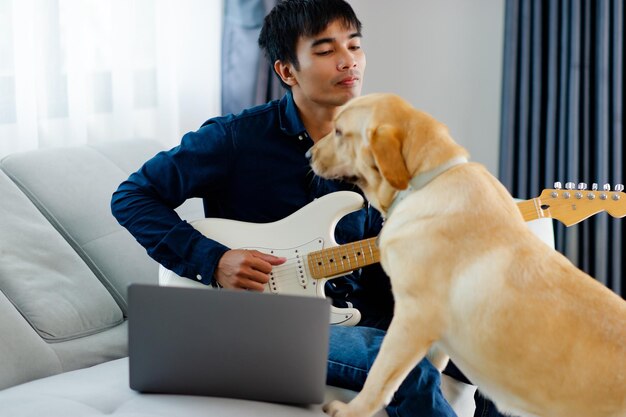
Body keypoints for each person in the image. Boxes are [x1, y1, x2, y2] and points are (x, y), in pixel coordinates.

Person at [111, 0, 457, 416]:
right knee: (405, 367)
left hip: (360, 311)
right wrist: (214, 259)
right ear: (287, 70)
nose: (348, 62)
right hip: (266, 325)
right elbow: (131, 196)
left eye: (355, 45)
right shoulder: (234, 139)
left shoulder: (376, 140)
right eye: (327, 51)